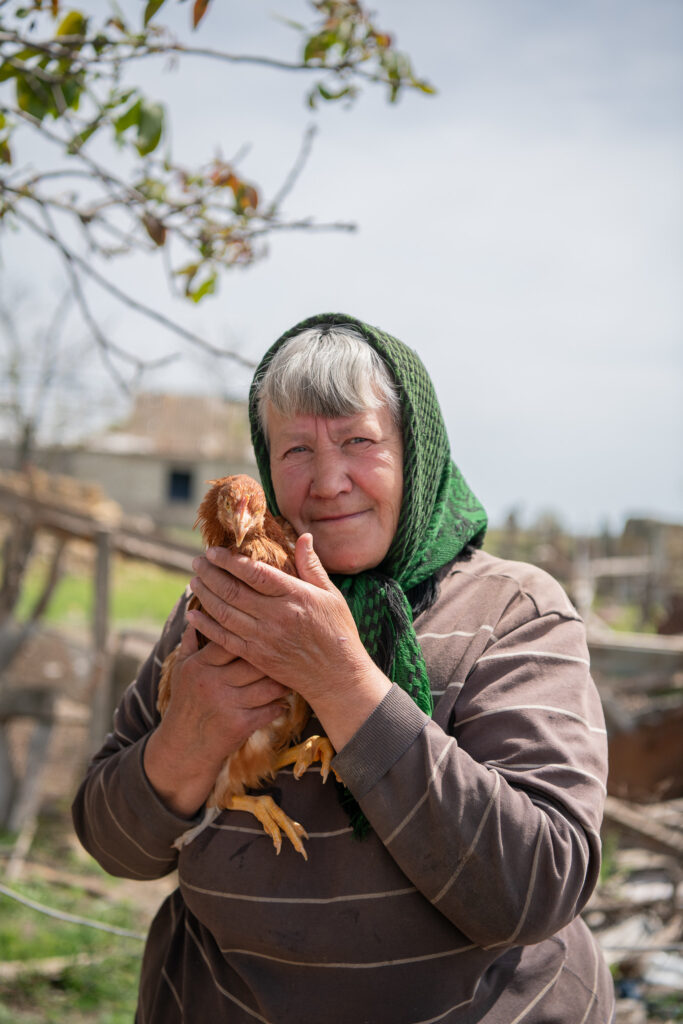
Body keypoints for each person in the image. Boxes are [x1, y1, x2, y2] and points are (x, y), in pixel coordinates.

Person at [72, 313, 616, 1023]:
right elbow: (112, 844)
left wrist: (342, 681)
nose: (327, 482)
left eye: (359, 441)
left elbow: (536, 888)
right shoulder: (220, 608)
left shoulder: (513, 612)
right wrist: (188, 738)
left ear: (415, 451)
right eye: (296, 448)